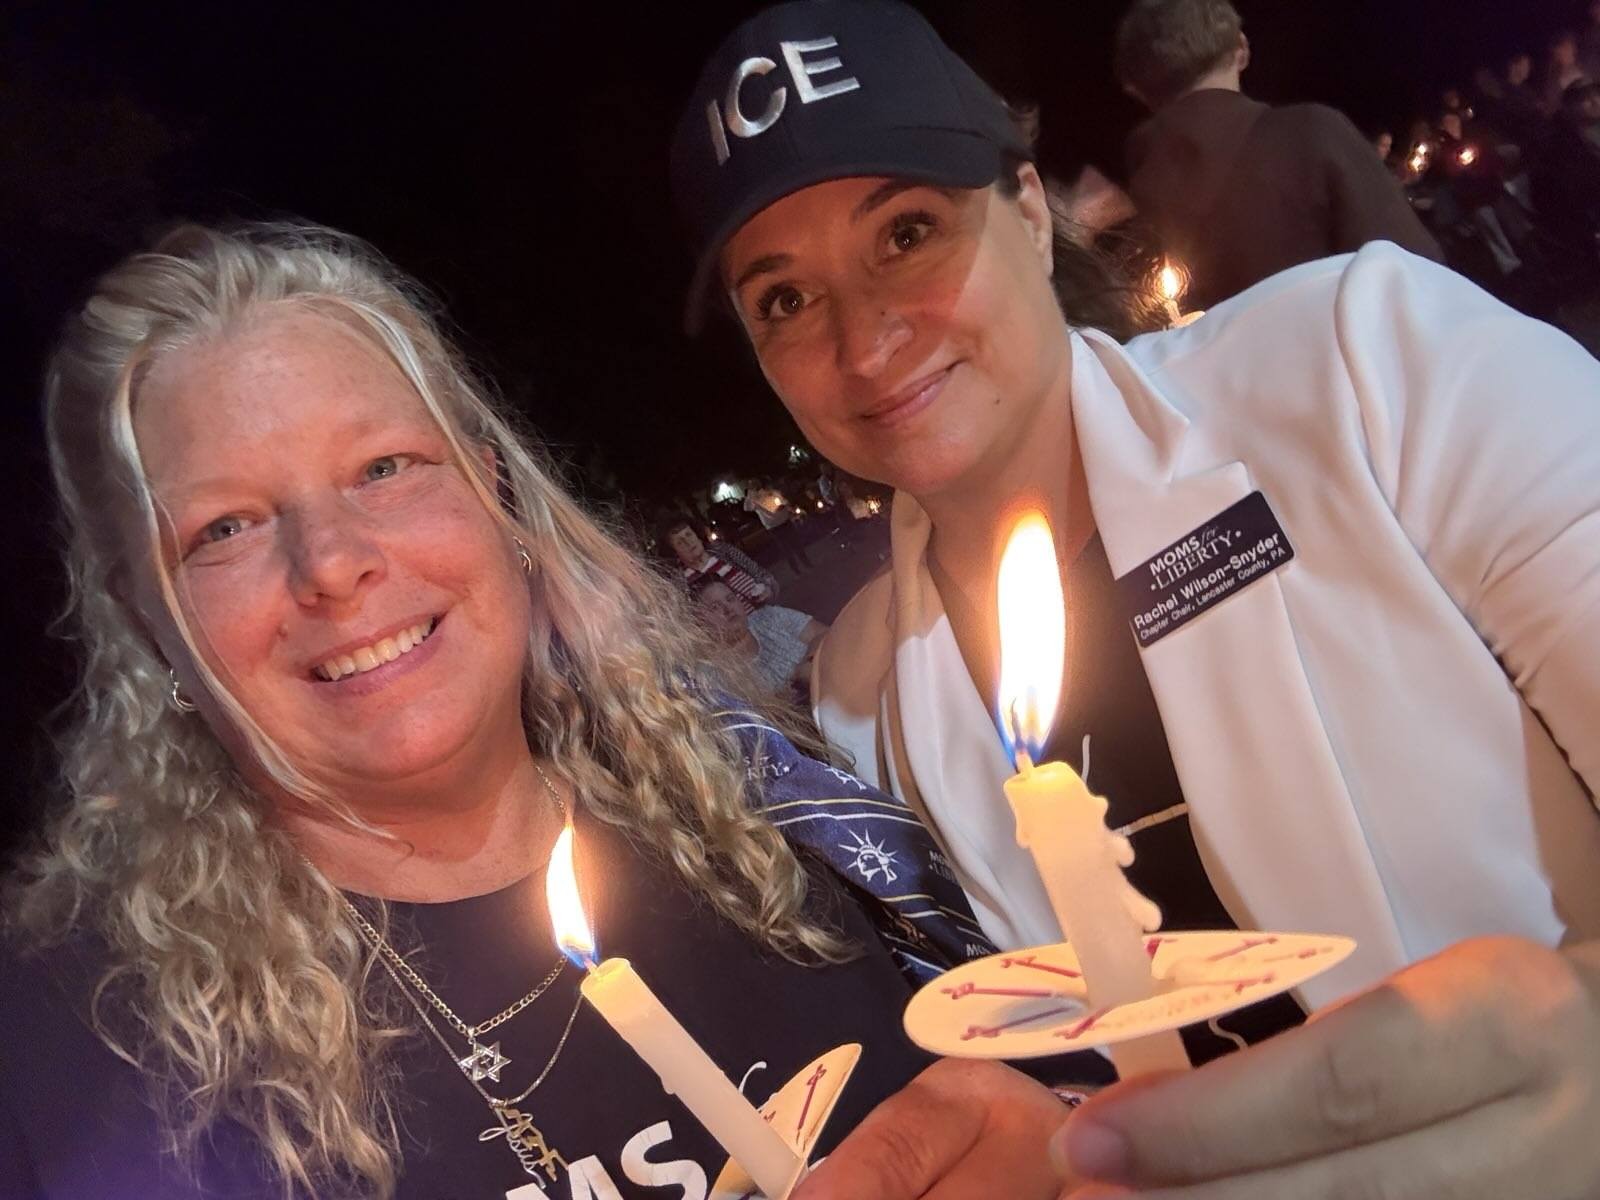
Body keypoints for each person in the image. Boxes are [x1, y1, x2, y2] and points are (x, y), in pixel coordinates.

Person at [669, 2, 1600, 1197]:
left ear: (1025, 207)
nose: (864, 344)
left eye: (906, 231)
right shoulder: (860, 702)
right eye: (784, 300)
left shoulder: (1367, 364)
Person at [0, 222, 1067, 1199]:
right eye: (223, 529)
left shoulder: (777, 810)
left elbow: (1048, 1078)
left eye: (383, 467)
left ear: (495, 497)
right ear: (147, 626)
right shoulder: (76, 1059)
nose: (330, 563)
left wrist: (1061, 1139)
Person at [1111, 0, 1442, 308]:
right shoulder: (1312, 132)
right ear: (1241, 48)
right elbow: (1424, 279)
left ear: (1135, 89)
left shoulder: (1125, 220)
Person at [693, 577, 828, 699]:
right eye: (715, 607)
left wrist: (808, 662)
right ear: (700, 621)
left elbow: (824, 634)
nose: (728, 609)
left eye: (730, 599)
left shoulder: (769, 617)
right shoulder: (711, 673)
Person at [659, 514, 777, 605]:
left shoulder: (724, 551)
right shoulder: (682, 583)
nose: (688, 542)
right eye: (680, 542)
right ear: (675, 553)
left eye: (689, 534)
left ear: (697, 535)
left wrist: (768, 590)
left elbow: (763, 575)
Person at [744, 479, 815, 574]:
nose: (755, 485)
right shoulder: (754, 499)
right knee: (786, 549)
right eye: (752, 485)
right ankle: (796, 569)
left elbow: (784, 501)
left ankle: (806, 563)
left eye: (755, 483)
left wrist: (788, 508)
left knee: (796, 543)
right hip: (773, 527)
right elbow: (747, 508)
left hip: (784, 521)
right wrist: (749, 494)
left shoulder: (771, 492)